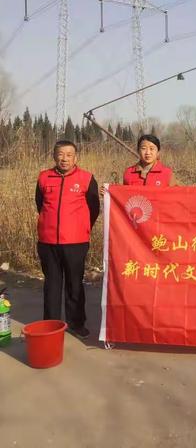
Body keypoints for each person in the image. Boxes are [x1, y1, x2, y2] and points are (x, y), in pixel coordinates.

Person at [36, 140, 100, 339]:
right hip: (48, 242)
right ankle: (51, 324)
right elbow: (40, 204)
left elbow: (94, 208)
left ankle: (76, 323)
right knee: (52, 284)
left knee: (74, 284)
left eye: (69, 155)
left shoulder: (86, 178)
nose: (64, 159)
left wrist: (80, 227)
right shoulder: (44, 177)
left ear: (76, 157)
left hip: (75, 242)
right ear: (54, 156)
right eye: (60, 154)